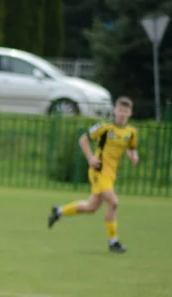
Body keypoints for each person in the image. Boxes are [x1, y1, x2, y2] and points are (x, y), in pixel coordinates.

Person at [47, 96, 139, 252]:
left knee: (91, 207)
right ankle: (113, 242)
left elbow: (131, 148)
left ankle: (59, 211)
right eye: (120, 110)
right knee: (113, 203)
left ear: (130, 113)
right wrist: (90, 158)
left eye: (126, 111)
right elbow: (83, 139)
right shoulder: (104, 127)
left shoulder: (131, 132)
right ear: (115, 111)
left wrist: (133, 156)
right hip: (99, 171)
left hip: (111, 174)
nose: (122, 114)